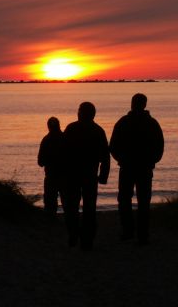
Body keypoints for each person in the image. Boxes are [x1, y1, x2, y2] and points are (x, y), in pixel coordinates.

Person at [110, 93, 164, 245]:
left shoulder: (124, 122)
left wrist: (121, 158)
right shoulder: (151, 123)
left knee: (127, 200)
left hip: (131, 167)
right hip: (140, 167)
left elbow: (113, 146)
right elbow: (159, 146)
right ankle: (140, 234)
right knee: (142, 201)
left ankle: (130, 231)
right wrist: (152, 160)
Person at [61, 102, 110, 250]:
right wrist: (103, 175)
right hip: (86, 176)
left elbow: (62, 153)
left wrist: (103, 175)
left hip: (75, 176)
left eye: (80, 111)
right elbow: (105, 156)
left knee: (73, 207)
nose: (78, 113)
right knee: (88, 209)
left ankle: (76, 234)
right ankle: (84, 239)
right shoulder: (97, 130)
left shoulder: (72, 128)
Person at [37, 117, 64, 214]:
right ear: (59, 125)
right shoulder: (65, 138)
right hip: (64, 176)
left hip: (51, 176)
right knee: (68, 202)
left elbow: (40, 162)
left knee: (50, 202)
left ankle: (52, 221)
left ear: (48, 127)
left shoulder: (46, 140)